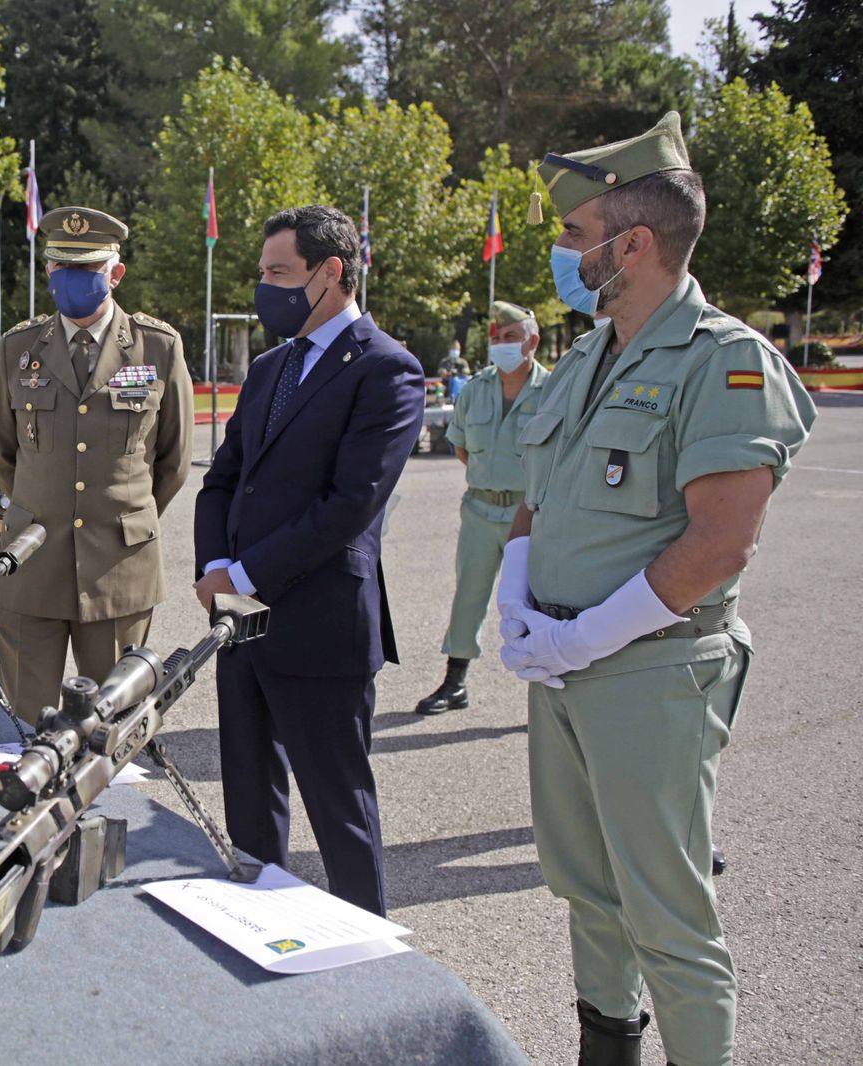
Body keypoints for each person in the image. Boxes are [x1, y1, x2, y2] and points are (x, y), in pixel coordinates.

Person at [501, 112, 814, 1066]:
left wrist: (588, 634)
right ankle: (609, 1050)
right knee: (586, 889)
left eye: (572, 234)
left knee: (667, 912)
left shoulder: (724, 358)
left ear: (631, 243)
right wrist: (517, 601)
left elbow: (722, 543)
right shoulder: (587, 357)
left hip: (649, 672)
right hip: (564, 668)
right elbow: (534, 498)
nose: (561, 253)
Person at [193, 204, 423, 917]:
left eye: (279, 273)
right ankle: (263, 918)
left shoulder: (387, 370)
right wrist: (213, 568)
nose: (265, 287)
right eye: (262, 272)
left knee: (339, 811)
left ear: (331, 274)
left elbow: (350, 504)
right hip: (241, 613)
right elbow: (224, 478)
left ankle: (372, 963)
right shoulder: (269, 368)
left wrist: (247, 572)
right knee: (251, 799)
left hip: (319, 620)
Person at [0, 207, 193, 724]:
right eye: (62, 267)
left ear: (115, 274)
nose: (73, 280)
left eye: (89, 269)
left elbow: (172, 461)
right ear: (49, 272)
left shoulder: (158, 348)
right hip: (32, 563)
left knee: (110, 728)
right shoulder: (17, 349)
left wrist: (122, 518)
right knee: (28, 726)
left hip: (118, 569)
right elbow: (3, 457)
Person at [415, 300, 549, 714]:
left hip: (530, 515)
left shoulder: (555, 391)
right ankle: (455, 683)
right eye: (497, 338)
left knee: (538, 603)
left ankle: (548, 693)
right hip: (478, 508)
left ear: (532, 342)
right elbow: (460, 446)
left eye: (511, 338)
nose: (502, 345)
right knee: (468, 596)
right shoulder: (475, 388)